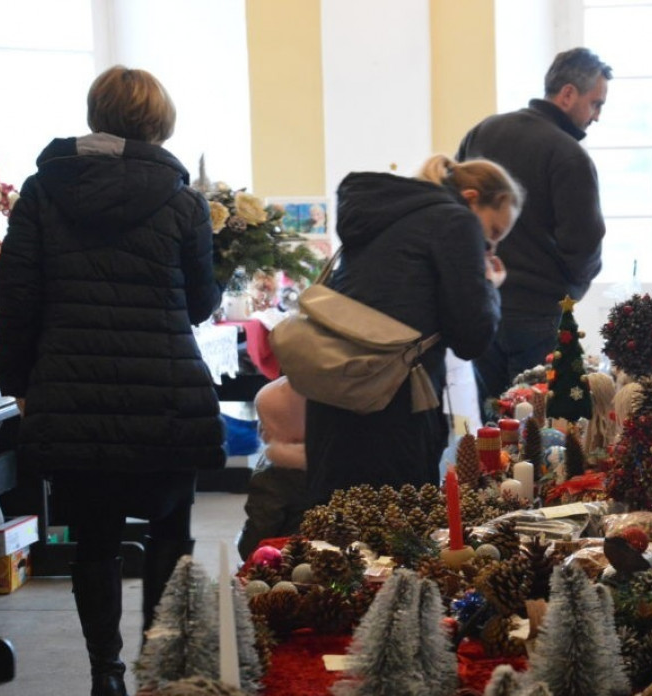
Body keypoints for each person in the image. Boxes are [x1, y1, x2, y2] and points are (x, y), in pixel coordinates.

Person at [0, 66, 225, 696]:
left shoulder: (42, 192)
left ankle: (106, 676)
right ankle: (157, 676)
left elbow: (18, 298)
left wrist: (21, 387)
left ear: (97, 114)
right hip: (166, 392)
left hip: (73, 390)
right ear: (160, 119)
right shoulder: (183, 201)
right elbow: (203, 302)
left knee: (92, 543)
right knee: (168, 535)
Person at [303, 155, 522, 507]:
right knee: (397, 528)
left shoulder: (378, 212)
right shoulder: (457, 221)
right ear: (470, 198)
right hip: (394, 400)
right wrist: (489, 285)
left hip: (335, 391)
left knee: (333, 520)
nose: (491, 248)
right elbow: (471, 337)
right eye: (493, 234)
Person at [457, 47, 611, 418]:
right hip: (539, 315)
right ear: (568, 94)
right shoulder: (568, 155)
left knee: (487, 429)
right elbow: (585, 245)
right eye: (595, 104)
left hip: (482, 306)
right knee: (539, 431)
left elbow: (455, 212)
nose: (597, 116)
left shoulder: (482, 131)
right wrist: (565, 295)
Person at [237, 376, 313, 560]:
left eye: (263, 421)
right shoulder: (331, 462)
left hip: (285, 565)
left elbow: (258, 534)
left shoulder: (272, 476)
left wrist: (243, 545)